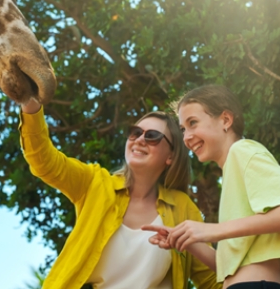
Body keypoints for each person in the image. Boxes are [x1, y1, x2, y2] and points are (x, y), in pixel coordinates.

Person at [18, 98, 222, 289]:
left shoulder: (182, 207)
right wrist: (30, 104)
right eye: (135, 132)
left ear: (170, 156)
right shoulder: (95, 183)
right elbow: (44, 161)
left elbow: (213, 280)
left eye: (152, 136)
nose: (140, 139)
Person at [143, 85, 280, 289]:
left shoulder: (242, 151)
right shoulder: (232, 170)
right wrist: (188, 239)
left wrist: (215, 230)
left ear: (226, 120)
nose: (186, 137)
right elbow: (227, 269)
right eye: (183, 129)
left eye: (193, 123)